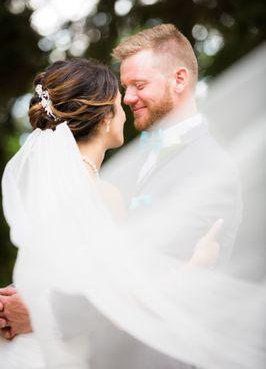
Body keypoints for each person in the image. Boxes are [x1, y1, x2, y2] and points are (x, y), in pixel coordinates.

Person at [0, 56, 222, 368]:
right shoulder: (102, 194)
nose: (125, 110)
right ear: (105, 116)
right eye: (119, 101)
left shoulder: (45, 181)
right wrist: (195, 265)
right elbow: (121, 304)